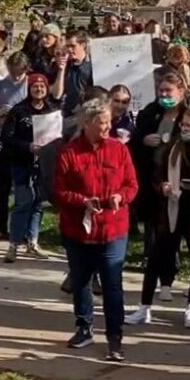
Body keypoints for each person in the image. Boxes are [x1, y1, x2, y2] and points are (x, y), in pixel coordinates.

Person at [53, 98, 137, 361]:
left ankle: (115, 337)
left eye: (108, 122)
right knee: (81, 282)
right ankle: (84, 327)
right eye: (101, 122)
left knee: (112, 285)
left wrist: (120, 198)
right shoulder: (69, 153)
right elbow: (58, 191)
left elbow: (132, 184)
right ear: (87, 123)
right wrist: (82, 202)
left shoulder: (119, 150)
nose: (106, 127)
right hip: (78, 231)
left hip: (113, 229)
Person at [125, 108, 190, 328]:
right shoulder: (171, 148)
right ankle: (144, 307)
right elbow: (157, 174)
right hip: (171, 210)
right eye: (183, 125)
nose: (185, 129)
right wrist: (161, 186)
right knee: (156, 259)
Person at [130, 73, 190, 300]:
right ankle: (156, 280)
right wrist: (144, 141)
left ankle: (168, 280)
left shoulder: (187, 115)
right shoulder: (149, 113)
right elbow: (136, 140)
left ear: (180, 92)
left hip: (178, 183)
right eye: (161, 91)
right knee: (155, 234)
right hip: (153, 184)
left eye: (169, 91)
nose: (164, 95)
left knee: (174, 234)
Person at [0, 72, 58, 262]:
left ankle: (33, 242)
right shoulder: (19, 111)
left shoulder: (52, 111)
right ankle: (14, 244)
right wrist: (28, 146)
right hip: (22, 163)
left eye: (42, 86)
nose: (39, 89)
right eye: (35, 86)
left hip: (44, 165)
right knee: (23, 203)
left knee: (38, 204)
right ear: (29, 89)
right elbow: (6, 138)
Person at [0, 52, 31, 244]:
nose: (16, 77)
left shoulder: (31, 84)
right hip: (3, 139)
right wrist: (3, 111)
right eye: (13, 73)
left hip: (23, 140)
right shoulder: (0, 86)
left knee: (24, 188)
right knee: (2, 187)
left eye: (19, 73)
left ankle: (23, 230)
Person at [54, 30, 92, 117]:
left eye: (73, 46)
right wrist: (61, 70)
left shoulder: (91, 67)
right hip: (67, 114)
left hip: (86, 114)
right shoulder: (64, 66)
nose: (69, 50)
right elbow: (57, 95)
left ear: (83, 45)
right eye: (67, 46)